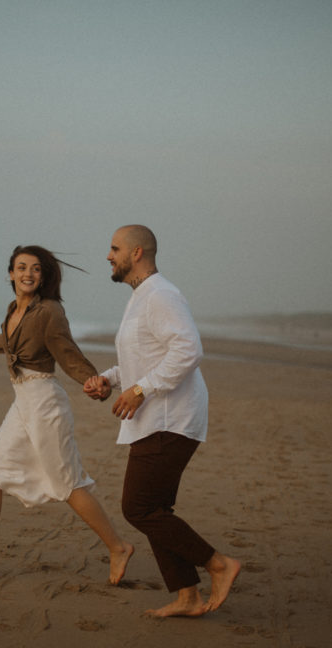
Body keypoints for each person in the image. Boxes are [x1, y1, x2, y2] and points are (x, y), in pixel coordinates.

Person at [0, 245, 134, 584]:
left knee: (67, 484)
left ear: (43, 276)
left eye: (35, 269)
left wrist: (94, 380)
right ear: (11, 273)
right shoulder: (15, 308)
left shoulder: (50, 311)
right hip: (23, 403)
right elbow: (5, 339)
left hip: (45, 403)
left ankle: (118, 547)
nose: (27, 273)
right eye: (21, 267)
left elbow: (66, 350)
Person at [83, 225, 240, 618]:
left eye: (114, 248)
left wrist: (140, 390)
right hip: (155, 416)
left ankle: (218, 564)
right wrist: (110, 380)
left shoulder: (162, 295)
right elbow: (143, 358)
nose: (108, 255)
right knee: (156, 509)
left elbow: (189, 349)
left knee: (138, 507)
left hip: (172, 417)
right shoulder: (140, 297)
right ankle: (187, 596)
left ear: (137, 253)